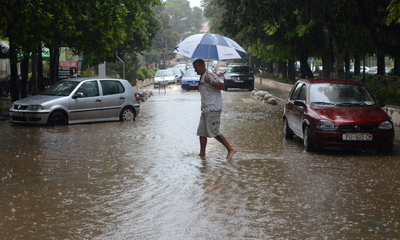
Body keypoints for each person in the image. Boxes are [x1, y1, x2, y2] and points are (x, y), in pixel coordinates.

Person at [192, 59, 237, 160]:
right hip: (205, 109)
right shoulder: (201, 77)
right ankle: (202, 153)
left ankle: (230, 149)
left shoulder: (210, 76)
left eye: (196, 68)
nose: (195, 70)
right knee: (202, 132)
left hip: (213, 109)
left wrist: (211, 82)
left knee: (213, 132)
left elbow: (222, 86)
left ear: (201, 66)